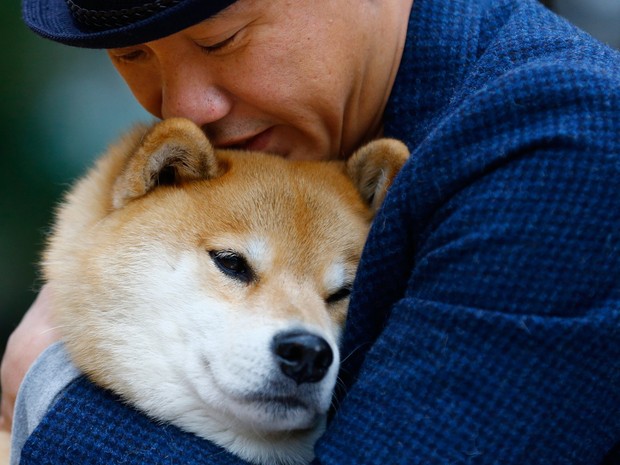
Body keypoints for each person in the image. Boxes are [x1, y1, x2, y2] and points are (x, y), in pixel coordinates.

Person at [2, 0, 620, 462]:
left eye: (222, 40)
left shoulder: (561, 142)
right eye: (133, 55)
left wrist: (48, 393)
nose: (183, 106)